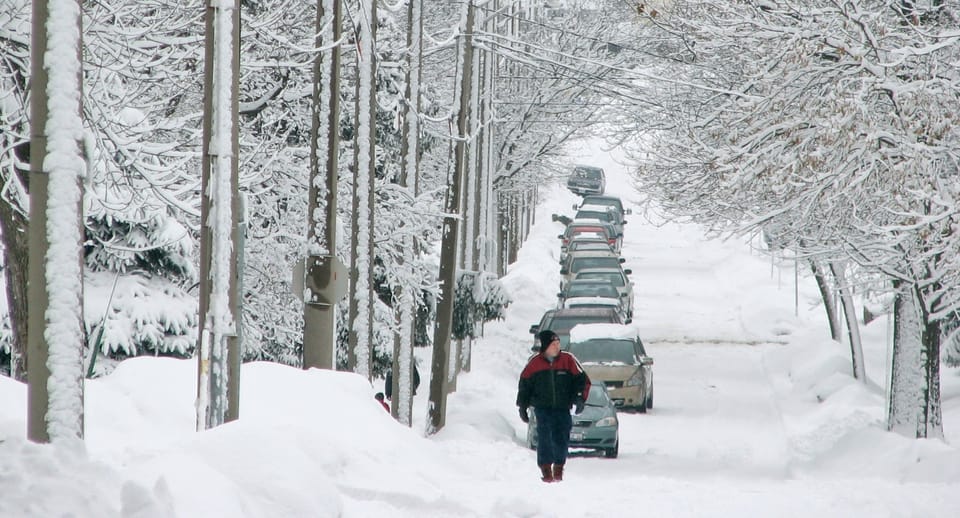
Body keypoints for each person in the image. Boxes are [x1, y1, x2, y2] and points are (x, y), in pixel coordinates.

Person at [517, 329, 591, 483]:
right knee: (545, 437)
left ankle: (558, 468)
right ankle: (546, 471)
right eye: (553, 344)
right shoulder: (534, 363)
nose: (557, 347)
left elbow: (583, 381)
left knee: (561, 437)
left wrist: (579, 398)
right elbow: (524, 386)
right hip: (542, 408)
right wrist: (522, 406)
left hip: (563, 408)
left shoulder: (568, 360)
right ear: (545, 346)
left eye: (558, 344)